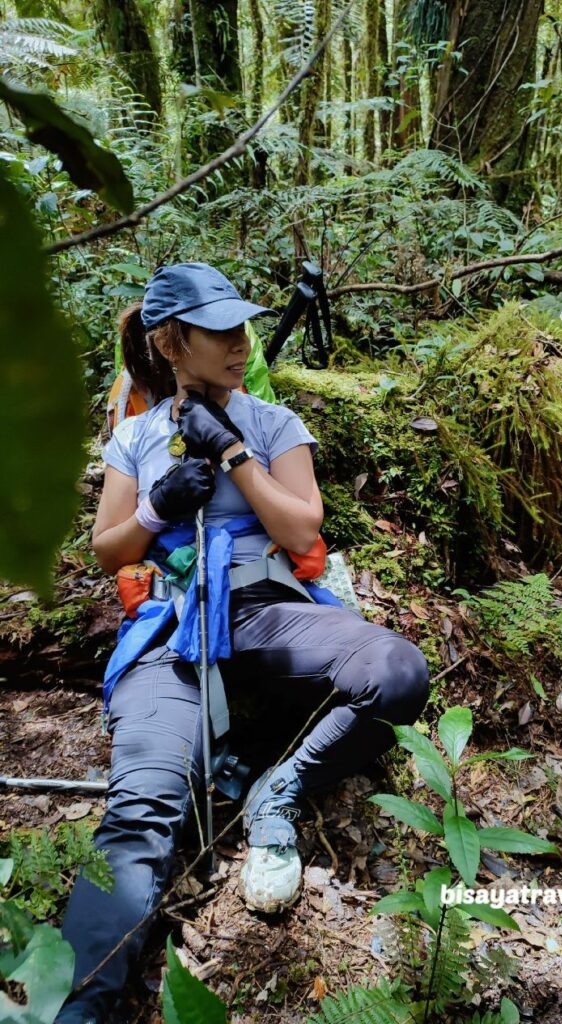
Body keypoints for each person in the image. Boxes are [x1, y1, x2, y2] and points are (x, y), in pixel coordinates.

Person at [55, 262, 430, 1023]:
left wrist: (231, 456)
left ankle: (279, 791)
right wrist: (160, 506)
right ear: (169, 342)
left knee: (397, 670)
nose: (238, 341)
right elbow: (110, 552)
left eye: (241, 326)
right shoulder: (135, 435)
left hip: (265, 608)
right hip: (170, 628)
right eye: (218, 329)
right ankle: (74, 1007)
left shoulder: (273, 423)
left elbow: (300, 528)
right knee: (140, 814)